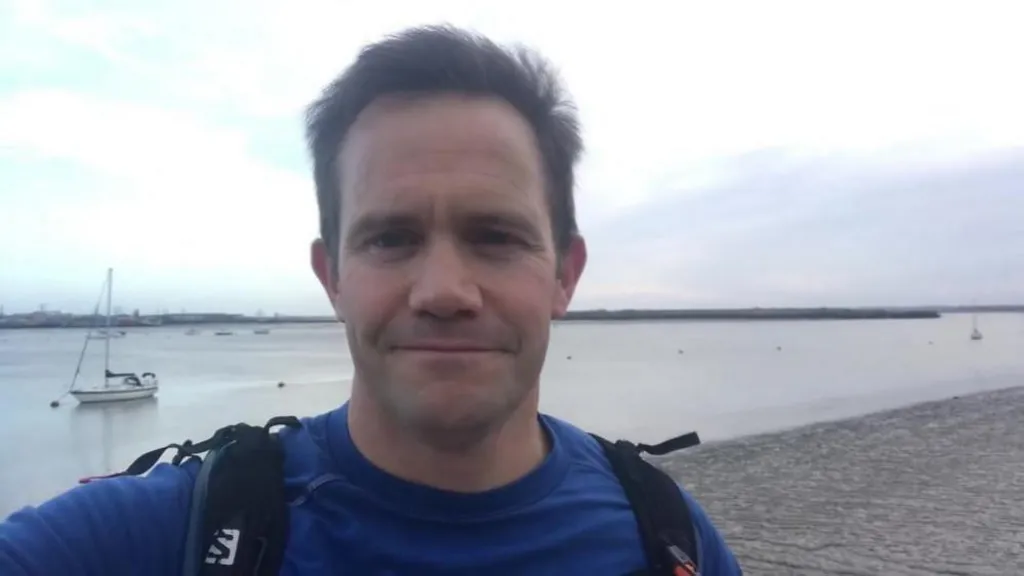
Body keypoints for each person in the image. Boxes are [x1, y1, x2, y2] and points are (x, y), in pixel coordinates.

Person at [0, 25, 742, 575]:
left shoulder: (669, 538)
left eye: (495, 236)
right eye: (390, 238)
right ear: (332, 277)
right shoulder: (159, 537)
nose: (445, 291)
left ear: (565, 274)